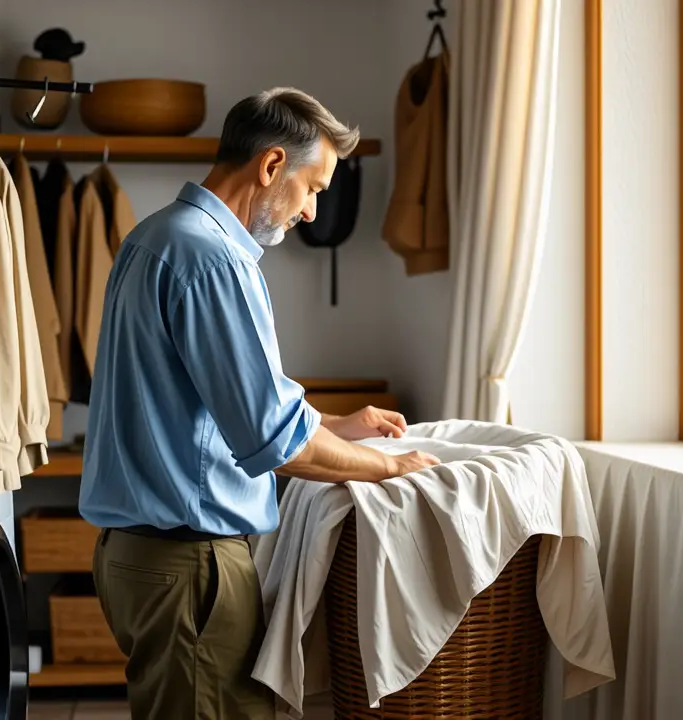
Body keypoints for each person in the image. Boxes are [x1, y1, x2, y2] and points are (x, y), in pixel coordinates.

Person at [78, 87, 442, 720]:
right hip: (189, 565)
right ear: (272, 165)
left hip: (137, 557)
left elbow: (208, 406)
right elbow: (275, 442)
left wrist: (334, 424)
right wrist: (391, 467)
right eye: (314, 187)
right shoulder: (214, 259)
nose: (310, 211)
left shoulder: (154, 236)